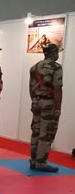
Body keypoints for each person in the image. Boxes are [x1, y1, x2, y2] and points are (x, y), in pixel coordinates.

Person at [28, 43, 63, 172]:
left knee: (36, 130)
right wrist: (58, 107)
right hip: (49, 103)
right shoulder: (56, 67)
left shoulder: (34, 67)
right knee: (47, 132)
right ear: (53, 53)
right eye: (57, 52)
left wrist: (34, 101)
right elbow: (58, 88)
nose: (58, 54)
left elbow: (31, 87)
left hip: (36, 101)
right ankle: (41, 162)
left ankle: (33, 160)